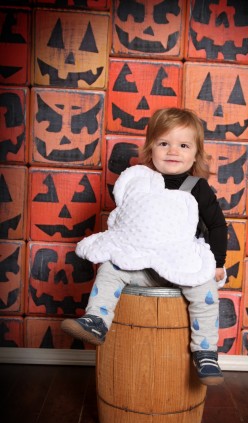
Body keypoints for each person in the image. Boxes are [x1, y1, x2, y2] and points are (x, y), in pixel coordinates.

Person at [62, 107, 228, 386]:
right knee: (110, 267)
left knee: (206, 291)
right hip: (141, 266)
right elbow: (127, 222)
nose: (173, 151)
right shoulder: (138, 182)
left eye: (183, 145)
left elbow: (218, 226)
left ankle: (206, 351)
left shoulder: (197, 188)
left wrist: (218, 263)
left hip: (179, 267)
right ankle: (97, 320)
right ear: (151, 149)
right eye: (164, 143)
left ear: (196, 154)